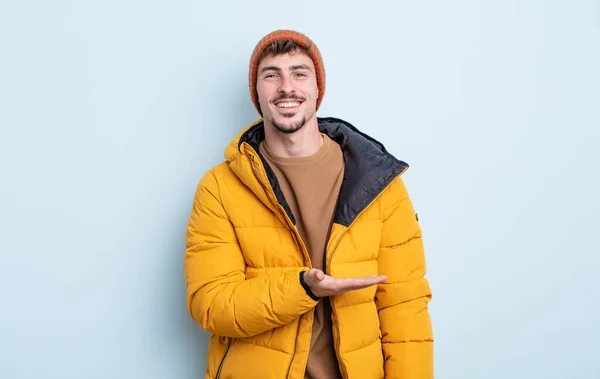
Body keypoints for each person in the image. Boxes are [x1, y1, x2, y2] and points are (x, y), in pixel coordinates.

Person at [184, 29, 433, 379]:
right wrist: (301, 288)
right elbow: (210, 304)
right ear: (256, 92)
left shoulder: (379, 183)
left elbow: (405, 305)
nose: (287, 87)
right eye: (272, 75)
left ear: (318, 89)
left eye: (300, 73)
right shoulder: (220, 188)